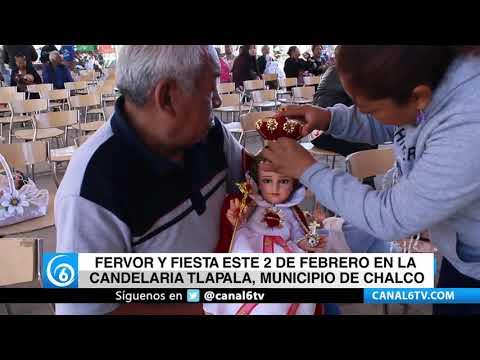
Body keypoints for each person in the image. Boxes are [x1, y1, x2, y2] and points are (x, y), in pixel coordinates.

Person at [261, 45, 480, 315]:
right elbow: (390, 118)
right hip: (461, 251)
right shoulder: (424, 77)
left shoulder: (469, 125)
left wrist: (309, 170)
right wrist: (329, 118)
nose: (365, 114)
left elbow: (391, 217)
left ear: (419, 97)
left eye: (370, 109)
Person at [55, 45, 247, 315]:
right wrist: (213, 306)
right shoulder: (90, 188)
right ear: (167, 97)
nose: (217, 100)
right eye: (210, 86)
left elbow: (252, 179)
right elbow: (88, 311)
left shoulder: (211, 134)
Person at [310, 63, 377, 160]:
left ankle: (363, 172)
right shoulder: (347, 73)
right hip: (324, 133)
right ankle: (362, 173)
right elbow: (366, 101)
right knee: (370, 143)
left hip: (317, 130)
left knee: (370, 135)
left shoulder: (334, 69)